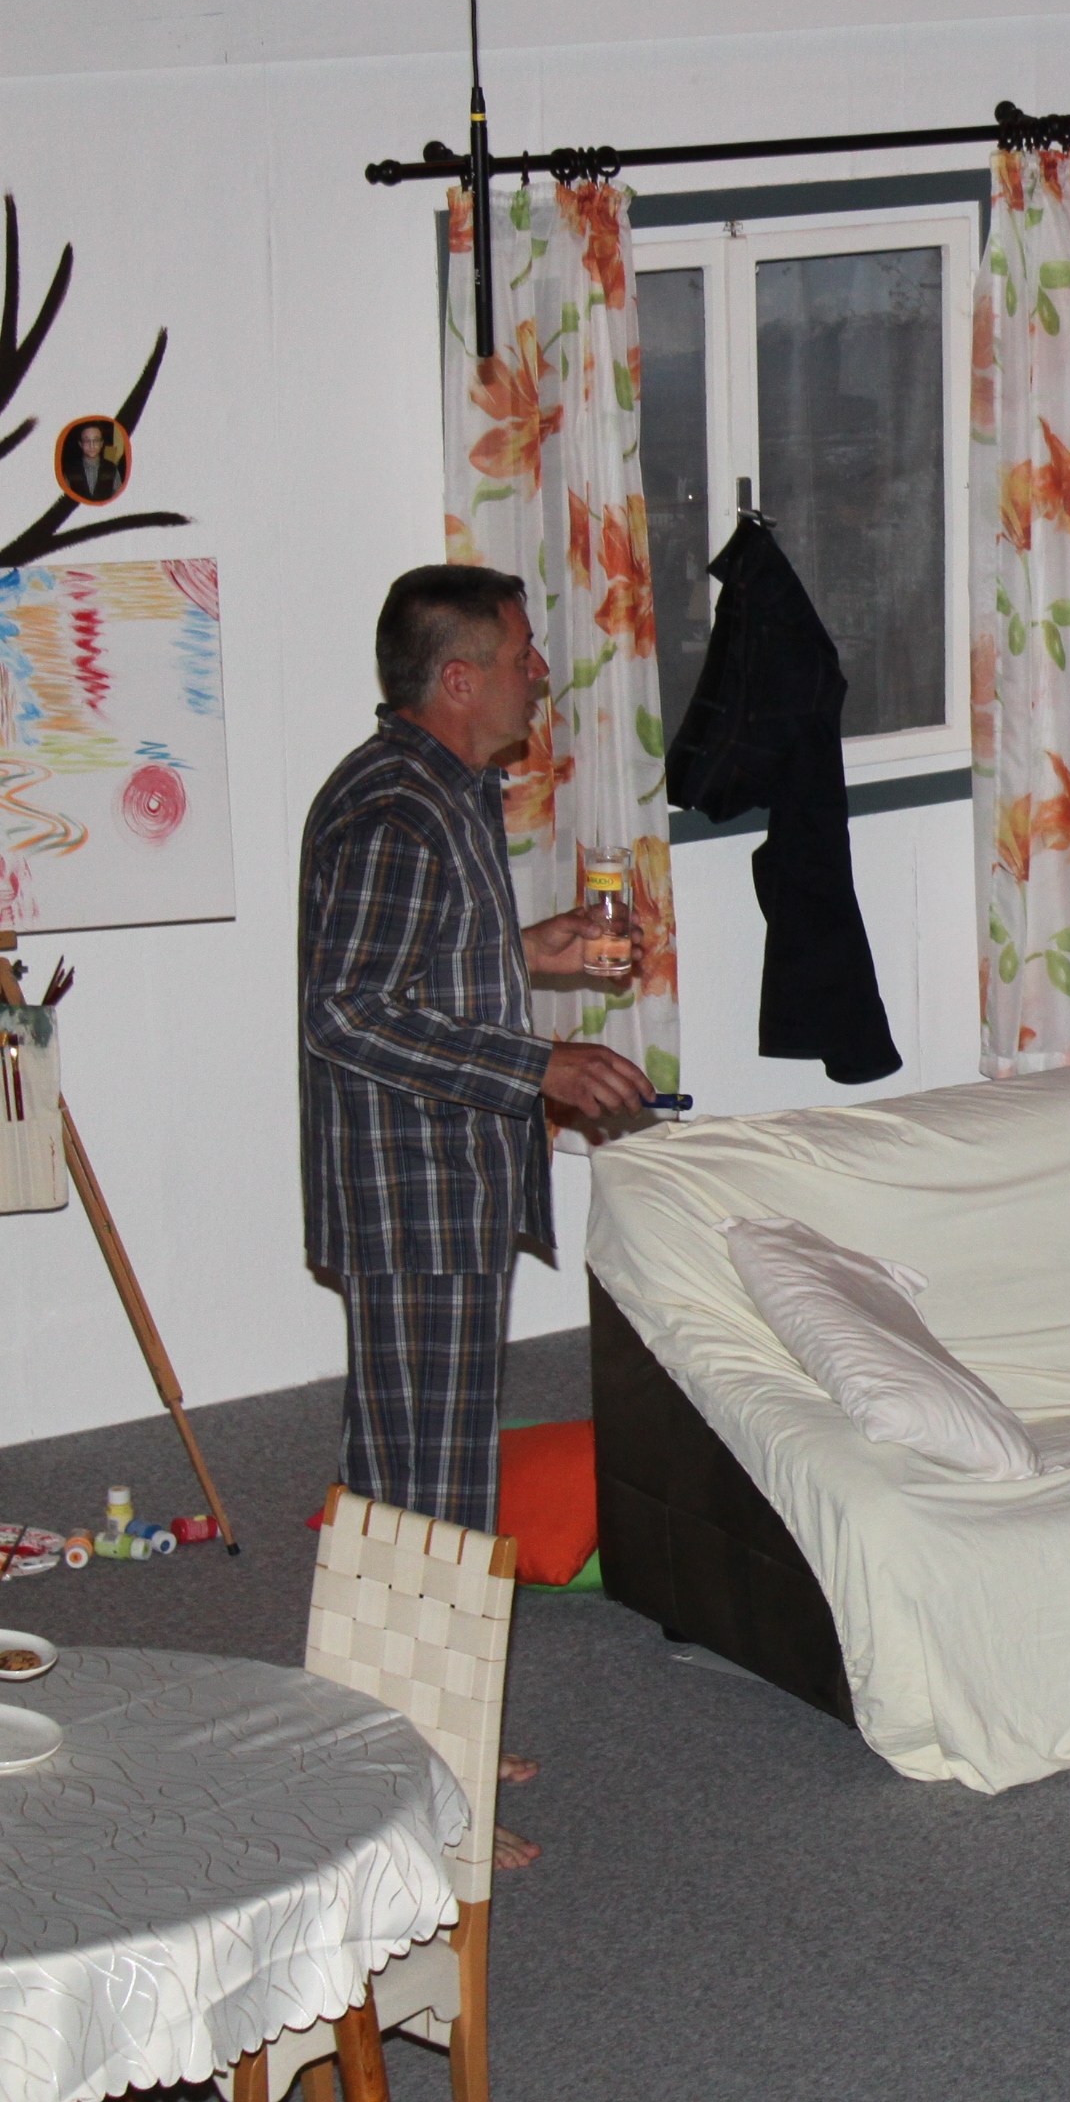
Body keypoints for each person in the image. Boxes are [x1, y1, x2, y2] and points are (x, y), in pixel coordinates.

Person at [299, 565, 652, 1864]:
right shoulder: (395, 808)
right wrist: (536, 1064)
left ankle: (412, 1728)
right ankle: (427, 1800)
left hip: (441, 1191)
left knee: (419, 1486)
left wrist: (537, 950)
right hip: (416, 1202)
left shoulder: (437, 788)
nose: (539, 674)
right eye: (520, 655)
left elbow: (419, 970)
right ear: (459, 680)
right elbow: (350, 1010)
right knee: (424, 1496)